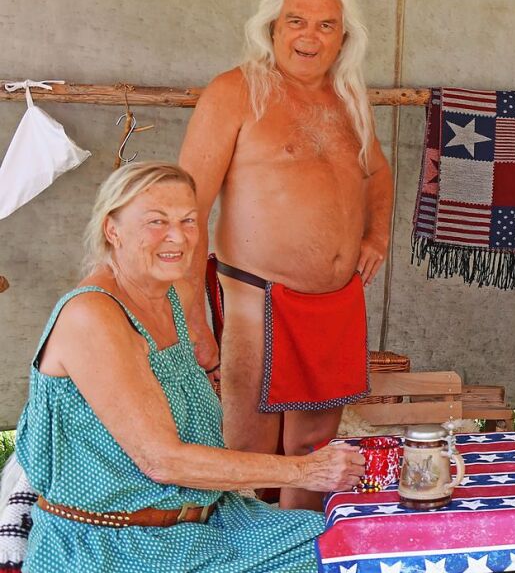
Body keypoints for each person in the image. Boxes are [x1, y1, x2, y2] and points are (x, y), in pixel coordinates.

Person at [14, 161, 365, 573]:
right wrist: (306, 470)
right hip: (118, 547)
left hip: (207, 526)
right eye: (156, 221)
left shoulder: (165, 299)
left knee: (362, 543)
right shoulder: (92, 314)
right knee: (349, 558)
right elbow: (162, 460)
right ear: (113, 229)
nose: (177, 237)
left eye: (188, 221)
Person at [179, 0, 393, 510]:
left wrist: (376, 238)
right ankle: (240, 560)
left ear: (343, 38)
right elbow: (186, 210)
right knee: (247, 449)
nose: (309, 36)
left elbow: (379, 174)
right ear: (272, 27)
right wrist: (193, 319)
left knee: (314, 449)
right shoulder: (235, 91)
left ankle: (297, 554)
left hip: (335, 303)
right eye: (297, 21)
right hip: (255, 298)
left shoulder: (348, 97)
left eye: (326, 25)